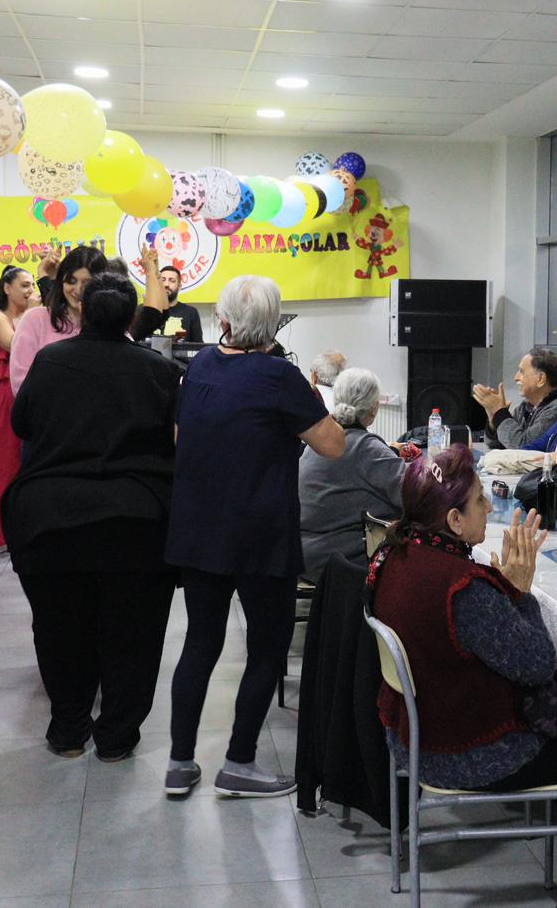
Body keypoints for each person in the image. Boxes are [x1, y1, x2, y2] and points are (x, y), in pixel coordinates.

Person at [368, 445, 557, 906]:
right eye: (480, 500)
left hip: (410, 733)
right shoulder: (461, 587)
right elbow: (537, 665)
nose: (488, 507)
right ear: (454, 520)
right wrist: (520, 593)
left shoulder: (396, 554)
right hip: (460, 750)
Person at [165, 275, 345, 799]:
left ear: (222, 320)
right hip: (261, 532)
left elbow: (180, 436)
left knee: (200, 642)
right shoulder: (279, 376)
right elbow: (333, 444)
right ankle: (239, 761)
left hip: (200, 528)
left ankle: (179, 762)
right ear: (274, 324)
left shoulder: (198, 366)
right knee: (267, 648)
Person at [2, 273, 181, 761]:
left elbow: (22, 423)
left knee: (59, 630)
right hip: (136, 519)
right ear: (131, 316)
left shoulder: (50, 361)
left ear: (81, 311)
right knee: (134, 636)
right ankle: (117, 737)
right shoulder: (158, 370)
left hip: (48, 518)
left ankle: (68, 731)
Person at [299, 367, 405, 581]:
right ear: (373, 408)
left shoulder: (319, 440)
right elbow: (414, 490)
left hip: (303, 552)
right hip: (336, 560)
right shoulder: (366, 447)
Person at [0, 265, 37, 555]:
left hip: (27, 395)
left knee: (28, 465)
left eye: (33, 284)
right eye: (25, 285)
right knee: (2, 466)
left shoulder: (33, 316)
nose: (31, 290)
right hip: (1, 398)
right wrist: (32, 315)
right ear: (7, 288)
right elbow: (17, 346)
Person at [10, 245, 109, 394]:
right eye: (71, 281)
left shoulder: (110, 325)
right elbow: (21, 384)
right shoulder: (35, 320)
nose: (78, 290)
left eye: (87, 283)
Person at [474, 348, 557, 450]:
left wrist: (499, 411)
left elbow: (523, 447)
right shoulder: (526, 406)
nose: (516, 378)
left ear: (540, 379)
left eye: (522, 372)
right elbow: (496, 443)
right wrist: (494, 419)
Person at [156, 264, 204, 341]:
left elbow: (197, 345)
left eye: (172, 281)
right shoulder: (146, 311)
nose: (166, 284)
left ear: (179, 286)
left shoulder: (191, 313)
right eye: (163, 280)